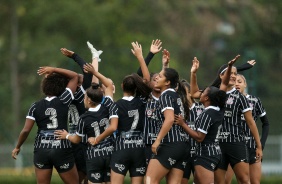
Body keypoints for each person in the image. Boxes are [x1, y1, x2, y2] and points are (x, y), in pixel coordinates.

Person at [175, 56, 237, 183]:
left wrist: (183, 124)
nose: (200, 93)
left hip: (205, 154)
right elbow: (224, 84)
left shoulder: (208, 114)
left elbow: (199, 137)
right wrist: (229, 67)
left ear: (207, 98)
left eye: (203, 93)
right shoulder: (218, 109)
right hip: (215, 152)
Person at [12, 67, 79, 184]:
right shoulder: (64, 100)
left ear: (45, 86)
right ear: (62, 88)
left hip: (41, 149)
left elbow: (26, 131)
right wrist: (53, 69)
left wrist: (18, 147)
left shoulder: (35, 106)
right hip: (61, 148)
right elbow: (74, 76)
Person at [54, 62, 115, 184]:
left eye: (85, 97)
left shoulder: (83, 118)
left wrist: (66, 135)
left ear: (89, 100)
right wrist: (95, 72)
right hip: (110, 153)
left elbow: (76, 140)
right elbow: (108, 85)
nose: (83, 99)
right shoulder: (107, 105)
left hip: (94, 156)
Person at [208, 55, 263, 184]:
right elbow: (194, 94)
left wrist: (259, 146)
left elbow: (251, 122)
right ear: (222, 76)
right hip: (217, 145)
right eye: (230, 73)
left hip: (236, 143)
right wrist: (193, 73)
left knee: (244, 179)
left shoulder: (240, 97)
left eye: (235, 73)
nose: (233, 76)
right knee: (219, 182)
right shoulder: (214, 95)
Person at [60, 42, 103, 184]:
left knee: (83, 176)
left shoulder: (74, 94)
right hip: (77, 140)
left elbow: (88, 73)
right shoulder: (73, 95)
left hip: (78, 139)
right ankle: (96, 56)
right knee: (80, 177)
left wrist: (75, 56)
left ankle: (96, 57)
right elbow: (88, 73)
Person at [145, 65, 190, 183]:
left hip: (170, 143)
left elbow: (169, 119)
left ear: (167, 82)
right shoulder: (176, 95)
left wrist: (158, 140)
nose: (156, 78)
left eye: (160, 76)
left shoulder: (165, 95)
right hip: (182, 145)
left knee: (150, 181)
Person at [225, 74, 269, 184]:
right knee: (226, 181)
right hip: (234, 145)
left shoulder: (254, 101)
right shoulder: (227, 100)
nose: (237, 84)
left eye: (240, 81)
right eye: (234, 81)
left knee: (253, 182)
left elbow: (266, 123)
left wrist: (261, 146)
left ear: (245, 84)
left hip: (251, 147)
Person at [178, 79, 204, 184]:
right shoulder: (178, 111)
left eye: (183, 92)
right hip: (184, 152)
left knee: (200, 180)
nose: (181, 96)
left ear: (190, 93)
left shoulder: (201, 108)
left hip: (200, 152)